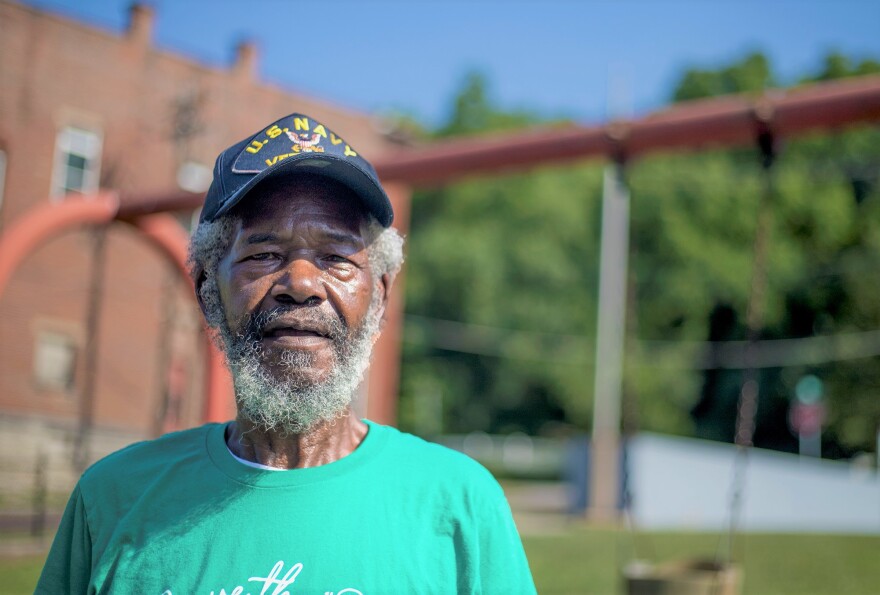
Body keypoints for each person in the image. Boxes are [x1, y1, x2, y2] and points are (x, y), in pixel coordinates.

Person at [36, 113, 536, 594]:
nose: (300, 284)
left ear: (381, 296)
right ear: (208, 289)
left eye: (336, 258)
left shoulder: (461, 505)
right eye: (263, 255)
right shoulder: (111, 498)